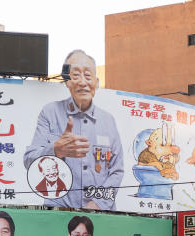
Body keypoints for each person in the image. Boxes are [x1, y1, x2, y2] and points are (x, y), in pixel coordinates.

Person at [24, 50, 124, 211]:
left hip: (102, 215)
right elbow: (29, 160)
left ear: (97, 83)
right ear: (67, 82)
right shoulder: (50, 112)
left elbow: (117, 170)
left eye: (88, 75)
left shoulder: (108, 120)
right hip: (58, 212)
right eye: (76, 75)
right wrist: (55, 149)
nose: (82, 82)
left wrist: (98, 204)